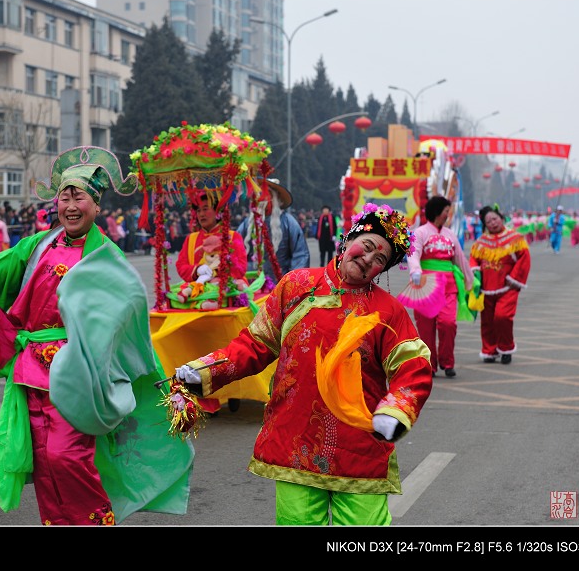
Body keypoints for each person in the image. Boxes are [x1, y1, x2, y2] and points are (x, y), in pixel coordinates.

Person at [0, 146, 193, 525]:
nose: (70, 205)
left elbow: (126, 312)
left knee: (69, 455)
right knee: (45, 460)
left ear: (96, 207)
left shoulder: (106, 256)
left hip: (78, 372)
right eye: (65, 196)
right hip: (32, 369)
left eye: (79, 196)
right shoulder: (39, 245)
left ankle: (95, 521)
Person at [175, 203, 433, 526]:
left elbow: (413, 365)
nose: (368, 259)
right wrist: (207, 371)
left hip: (361, 449)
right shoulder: (296, 286)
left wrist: (397, 409)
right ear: (349, 238)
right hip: (297, 445)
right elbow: (255, 344)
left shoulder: (388, 312)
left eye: (379, 258)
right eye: (367, 247)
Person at [406, 195, 473, 378]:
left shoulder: (450, 234)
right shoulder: (419, 233)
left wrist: (470, 280)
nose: (447, 215)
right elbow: (413, 254)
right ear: (437, 212)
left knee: (448, 323)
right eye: (446, 211)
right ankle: (430, 364)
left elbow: (460, 258)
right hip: (425, 286)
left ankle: (447, 362)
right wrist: (415, 271)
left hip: (448, 286)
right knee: (426, 328)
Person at [469, 205, 531, 365]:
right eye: (488, 221)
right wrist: (475, 272)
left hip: (507, 286)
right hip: (486, 287)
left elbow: (524, 259)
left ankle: (506, 348)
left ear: (501, 218)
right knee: (487, 321)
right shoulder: (480, 242)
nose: (493, 223)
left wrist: (514, 278)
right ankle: (490, 350)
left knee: (502, 317)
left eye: (495, 219)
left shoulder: (516, 239)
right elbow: (474, 259)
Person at [237, 178, 310, 281]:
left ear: (274, 198)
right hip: (253, 286)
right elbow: (236, 251)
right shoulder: (247, 224)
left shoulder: (288, 222)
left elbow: (301, 255)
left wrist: (292, 282)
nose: (260, 198)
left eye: (264, 194)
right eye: (257, 194)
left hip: (282, 285)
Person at [176, 192, 248, 287]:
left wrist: (215, 270)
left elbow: (240, 268)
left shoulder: (233, 236)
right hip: (196, 289)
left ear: (217, 212)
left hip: (227, 289)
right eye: (198, 211)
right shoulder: (191, 239)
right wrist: (197, 269)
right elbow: (181, 266)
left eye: (205, 209)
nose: (201, 214)